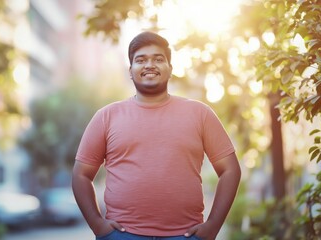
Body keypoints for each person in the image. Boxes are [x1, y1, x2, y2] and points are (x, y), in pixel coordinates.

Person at [72, 31, 241, 240]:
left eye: (158, 59)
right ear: (131, 71)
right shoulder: (106, 116)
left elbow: (230, 170)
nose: (149, 65)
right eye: (140, 60)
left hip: (185, 235)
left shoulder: (200, 114)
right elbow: (81, 175)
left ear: (170, 69)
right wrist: (98, 226)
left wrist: (213, 226)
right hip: (122, 235)